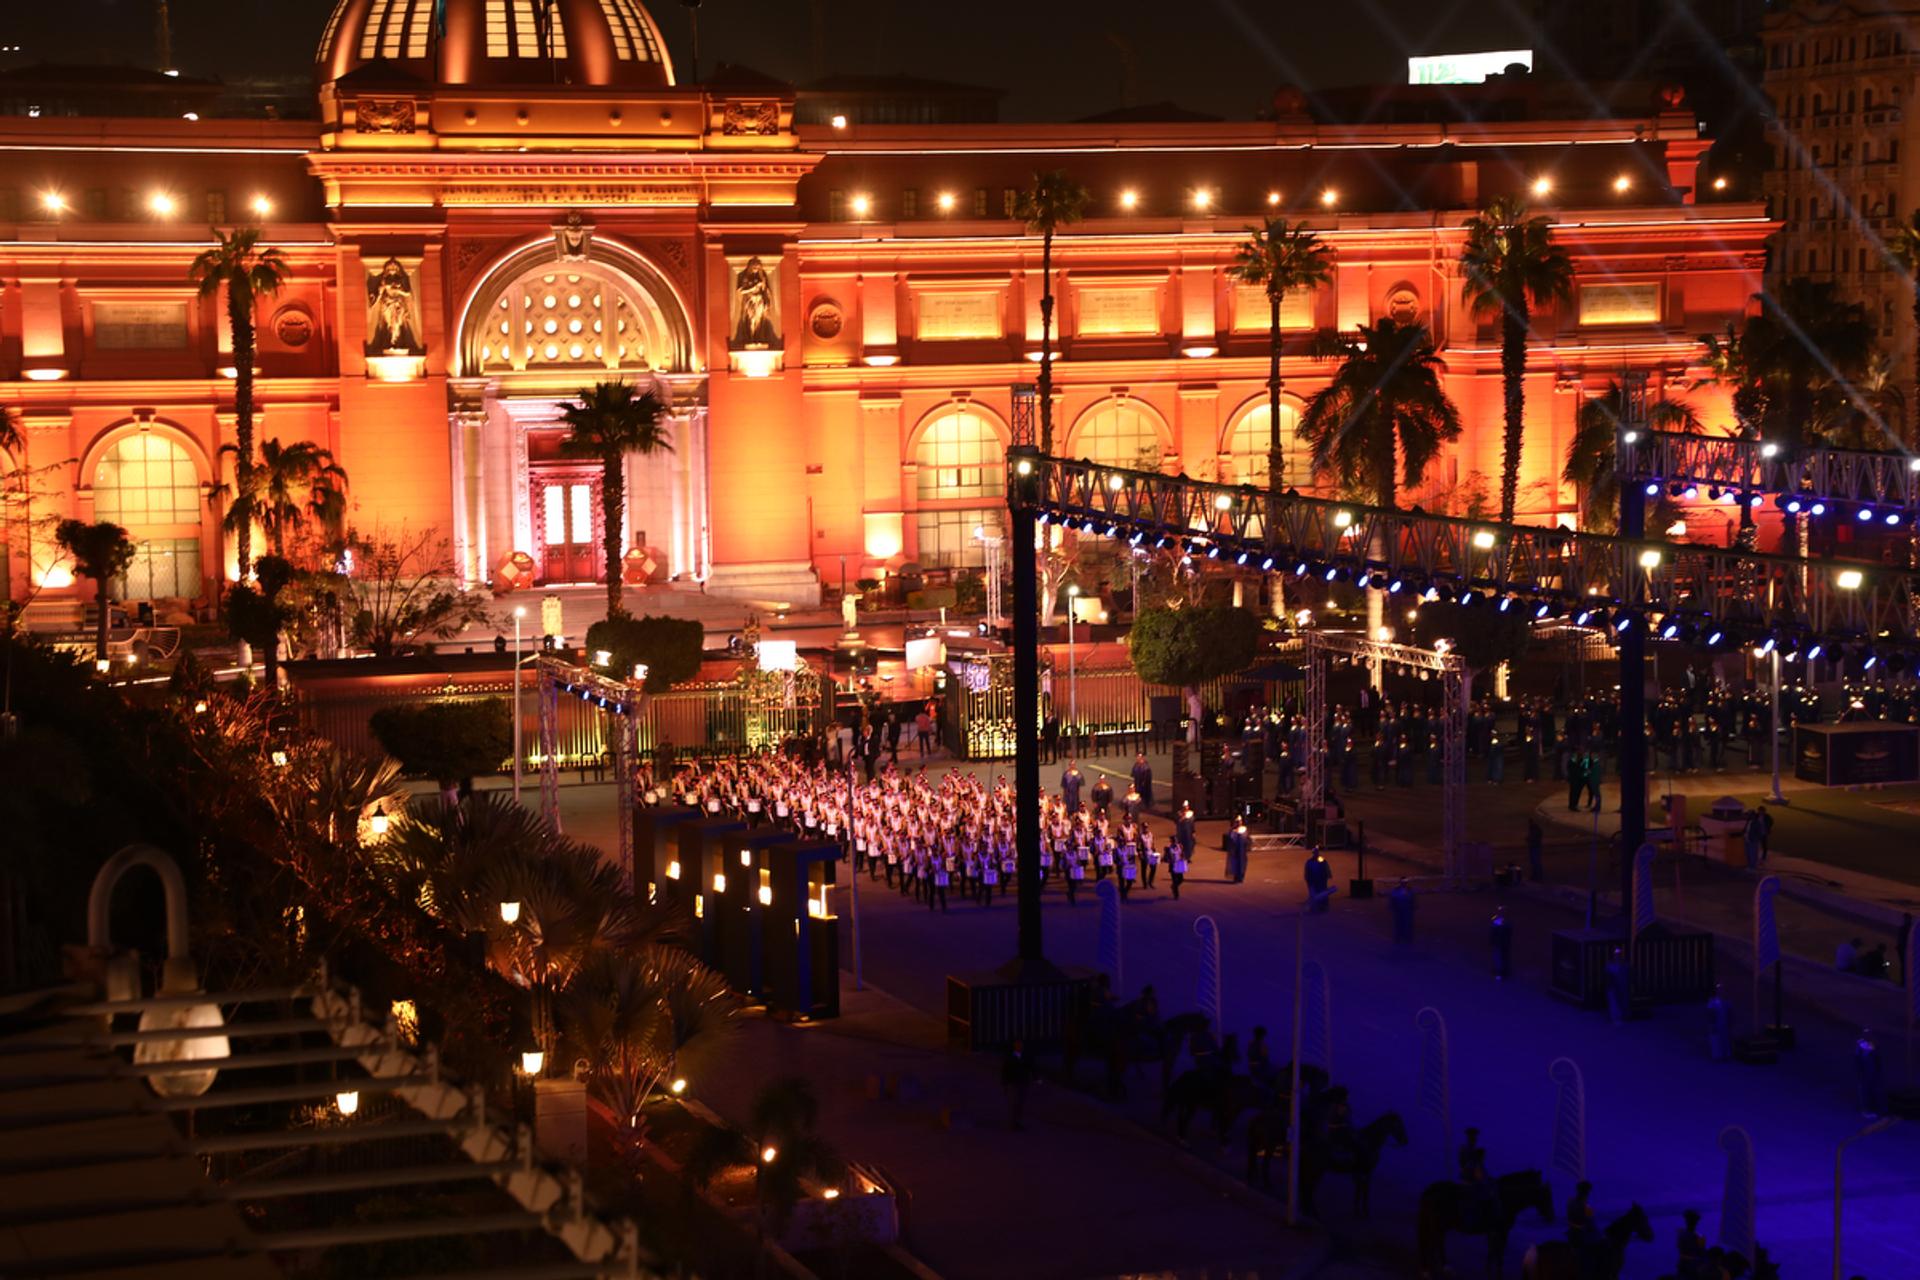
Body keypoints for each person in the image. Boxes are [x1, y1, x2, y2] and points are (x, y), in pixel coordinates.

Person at [1002, 1037, 1033, 1131]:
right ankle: (1011, 1124)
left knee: (1020, 1103)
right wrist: (1005, 1083)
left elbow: (1030, 1067)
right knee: (1013, 1104)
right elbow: (1005, 1070)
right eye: (1018, 1044)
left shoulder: (1025, 1056)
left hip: (1023, 1082)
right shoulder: (1010, 1057)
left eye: (1021, 1044)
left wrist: (1035, 1078)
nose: (1020, 1046)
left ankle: (1017, 1122)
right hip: (1013, 1083)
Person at [1854, 1027, 1883, 1118]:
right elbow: (1860, 1059)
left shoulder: (1871, 1045)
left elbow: (1876, 1059)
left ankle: (1871, 1109)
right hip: (1865, 1073)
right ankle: (1865, 1110)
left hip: (1870, 1072)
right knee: (1864, 1091)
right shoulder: (1862, 1045)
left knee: (1870, 1090)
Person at [1564, 1180, 1598, 1255]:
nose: (1588, 1194)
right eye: (1587, 1191)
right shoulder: (1584, 1206)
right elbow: (1590, 1222)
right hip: (1581, 1236)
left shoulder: (1571, 1202)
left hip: (1572, 1233)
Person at [1675, 1209, 1708, 1279]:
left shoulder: (1681, 1234)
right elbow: (1702, 1253)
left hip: (1685, 1265)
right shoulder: (1699, 1237)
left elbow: (1679, 1247)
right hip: (1693, 1266)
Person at [1604, 945, 1631, 1025]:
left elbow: (1628, 975)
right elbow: (1607, 977)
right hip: (1612, 988)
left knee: (1623, 1001)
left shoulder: (1625, 965)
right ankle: (1615, 1018)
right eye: (1616, 954)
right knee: (1614, 1003)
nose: (1617, 956)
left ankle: (1623, 1016)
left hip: (1623, 987)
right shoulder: (1609, 965)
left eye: (1619, 954)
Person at [1706, 985, 1731, 1062]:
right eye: (1719, 990)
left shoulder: (1726, 1001)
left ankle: (1726, 1055)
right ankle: (1717, 1056)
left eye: (1722, 990)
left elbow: (1730, 1012)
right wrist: (1711, 1024)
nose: (1721, 991)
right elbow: (1710, 1013)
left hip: (1724, 1023)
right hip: (1716, 1023)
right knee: (1716, 1040)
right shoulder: (1712, 1001)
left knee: (1725, 1039)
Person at [1390, 876, 1416, 944]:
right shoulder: (1397, 890)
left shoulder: (1409, 890)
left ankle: (1406, 938)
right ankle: (1399, 938)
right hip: (1400, 910)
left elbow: (1413, 900)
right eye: (1403, 882)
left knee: (1406, 924)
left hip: (1406, 910)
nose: (1404, 883)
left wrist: (1413, 906)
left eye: (1405, 882)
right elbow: (1392, 899)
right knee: (1400, 924)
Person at [1489, 906, 1513, 980]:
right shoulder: (1502, 921)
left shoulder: (1504, 923)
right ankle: (1501, 972)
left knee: (1500, 958)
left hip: (1501, 943)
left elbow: (1494, 931)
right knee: (1500, 957)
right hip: (1501, 943)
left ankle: (1500, 973)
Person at [1225, 817, 1250, 884]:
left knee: (1242, 864)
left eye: (1240, 821)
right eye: (1238, 821)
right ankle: (1236, 878)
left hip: (1242, 851)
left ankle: (1241, 877)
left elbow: (1247, 839)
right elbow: (1230, 841)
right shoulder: (1233, 831)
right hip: (1235, 851)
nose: (1239, 823)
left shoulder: (1244, 829)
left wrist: (1247, 847)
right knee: (1235, 865)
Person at [1526, 816, 1545, 883]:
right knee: (1536, 862)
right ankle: (1537, 875)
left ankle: (1537, 875)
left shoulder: (1534, 829)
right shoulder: (1535, 829)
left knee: (1535, 862)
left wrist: (1529, 839)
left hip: (1534, 847)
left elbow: (1533, 838)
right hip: (1535, 847)